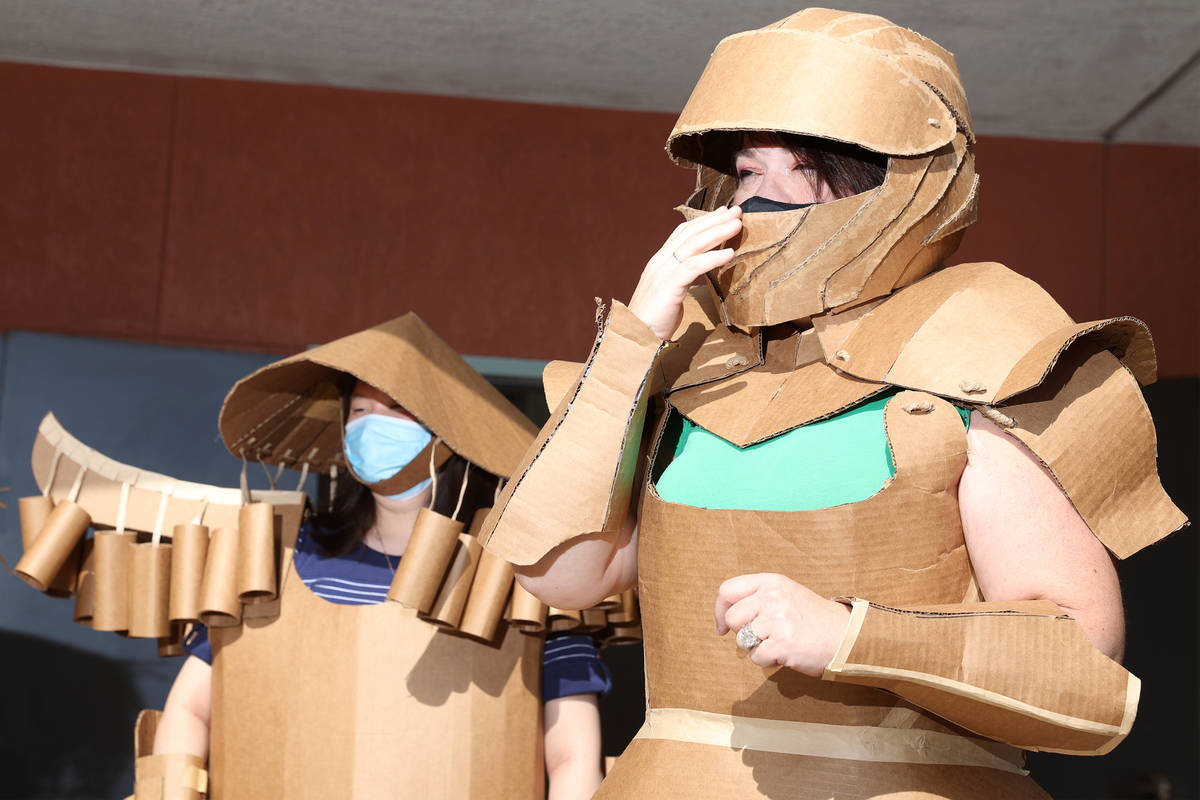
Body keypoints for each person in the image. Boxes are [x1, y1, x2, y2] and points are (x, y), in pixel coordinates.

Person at [479, 8, 1187, 799]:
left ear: (894, 180)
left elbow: (1082, 657)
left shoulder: (986, 351)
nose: (765, 199)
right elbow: (556, 569)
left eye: (805, 167)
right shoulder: (684, 365)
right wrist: (633, 343)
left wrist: (855, 635)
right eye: (748, 172)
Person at [147, 313, 608, 799]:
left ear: (448, 432)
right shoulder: (276, 559)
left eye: (394, 407)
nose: (370, 424)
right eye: (359, 410)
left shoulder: (520, 585)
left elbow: (573, 755)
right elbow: (190, 710)